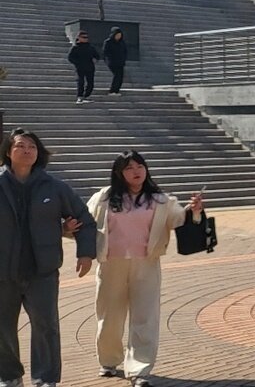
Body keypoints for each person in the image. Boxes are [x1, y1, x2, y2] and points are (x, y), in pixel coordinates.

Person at [86, 150, 204, 386]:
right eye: (129, 168)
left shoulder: (161, 200)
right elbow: (85, 223)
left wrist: (195, 211)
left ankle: (139, 370)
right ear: (119, 173)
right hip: (111, 264)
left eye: (139, 166)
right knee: (109, 316)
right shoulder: (104, 198)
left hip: (147, 264)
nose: (136, 171)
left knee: (145, 317)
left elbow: (179, 221)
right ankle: (109, 361)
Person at [0, 128, 97, 387]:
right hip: (3, 273)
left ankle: (45, 379)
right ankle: (9, 376)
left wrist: (86, 252)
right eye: (20, 145)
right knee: (2, 328)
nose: (27, 150)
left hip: (41, 272)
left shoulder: (54, 187)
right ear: (8, 152)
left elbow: (85, 219)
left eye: (32, 146)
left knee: (46, 328)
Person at [67, 31, 99, 104]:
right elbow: (70, 57)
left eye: (87, 37)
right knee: (80, 82)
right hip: (80, 68)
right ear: (79, 38)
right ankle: (80, 96)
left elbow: (97, 56)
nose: (86, 39)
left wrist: (95, 59)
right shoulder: (75, 48)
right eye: (84, 37)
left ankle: (87, 96)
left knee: (90, 83)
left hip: (90, 68)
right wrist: (77, 63)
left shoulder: (90, 47)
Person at [101, 27, 128, 96]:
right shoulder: (108, 42)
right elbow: (105, 52)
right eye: (117, 35)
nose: (119, 36)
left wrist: (123, 59)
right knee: (116, 75)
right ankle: (112, 90)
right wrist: (108, 60)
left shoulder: (122, 42)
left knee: (121, 76)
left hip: (120, 62)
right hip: (112, 62)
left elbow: (125, 51)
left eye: (120, 35)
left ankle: (117, 90)